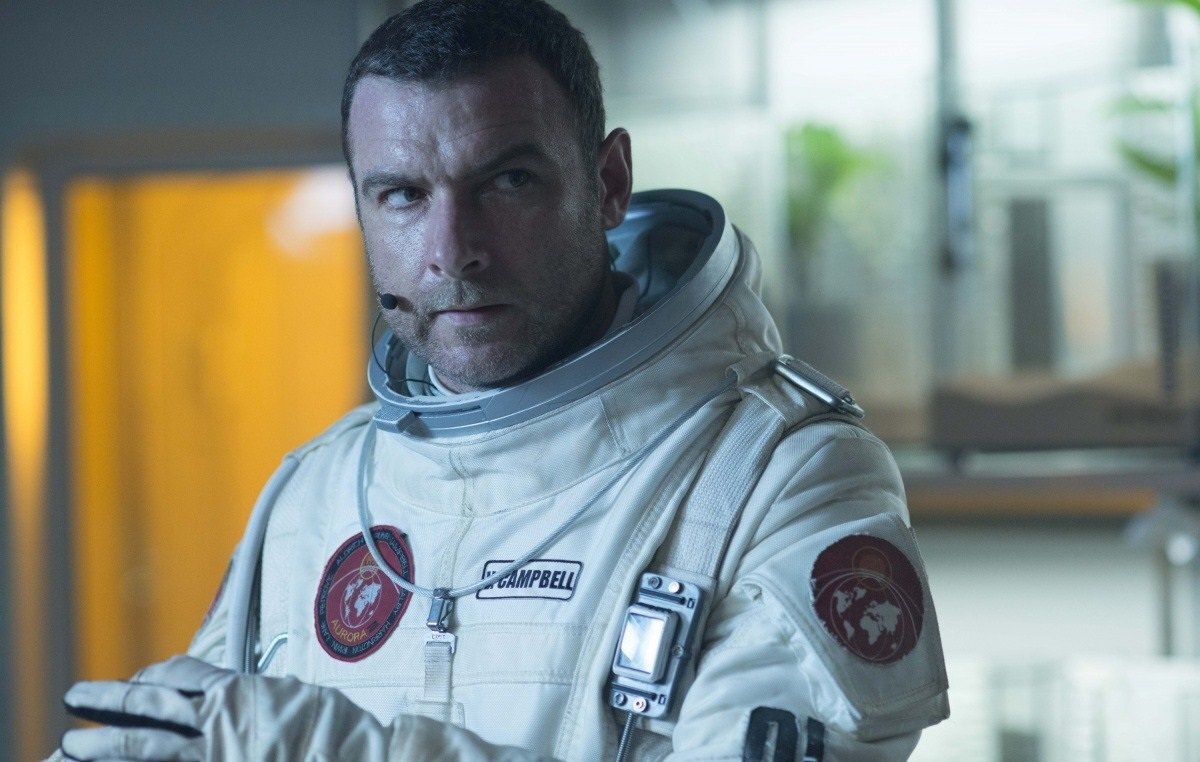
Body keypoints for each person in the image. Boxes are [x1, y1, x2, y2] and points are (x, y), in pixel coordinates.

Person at [55, 1, 949, 759]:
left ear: (608, 183)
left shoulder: (783, 476)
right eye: (403, 195)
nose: (453, 252)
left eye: (507, 181)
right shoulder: (314, 494)